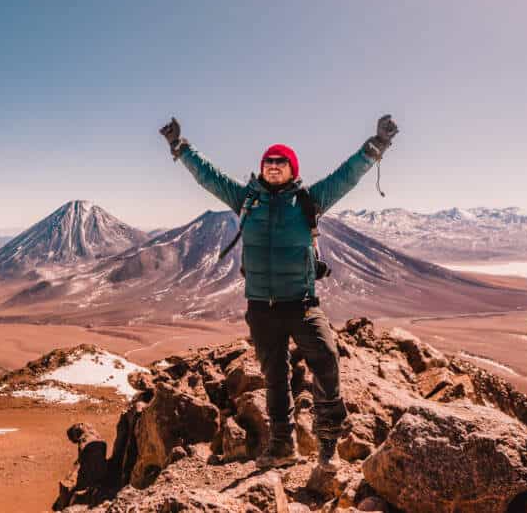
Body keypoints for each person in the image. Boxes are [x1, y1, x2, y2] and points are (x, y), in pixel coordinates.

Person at [159, 115, 399, 472]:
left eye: (280, 163)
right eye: (268, 163)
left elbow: (346, 176)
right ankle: (282, 445)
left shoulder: (309, 200)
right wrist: (181, 147)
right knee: (274, 378)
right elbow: (209, 177)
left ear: (292, 169)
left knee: (327, 360)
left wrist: (376, 145)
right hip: (261, 308)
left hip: (301, 304)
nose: (273, 168)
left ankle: (328, 445)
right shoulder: (246, 199)